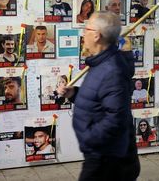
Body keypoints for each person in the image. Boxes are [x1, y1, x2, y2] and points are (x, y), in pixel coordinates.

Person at [57, 11, 140, 180]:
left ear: (96, 35)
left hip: (106, 159)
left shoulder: (112, 70)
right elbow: (101, 100)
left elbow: (115, 118)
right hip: (102, 154)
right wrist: (74, 94)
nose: (83, 33)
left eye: (86, 29)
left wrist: (89, 138)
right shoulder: (100, 63)